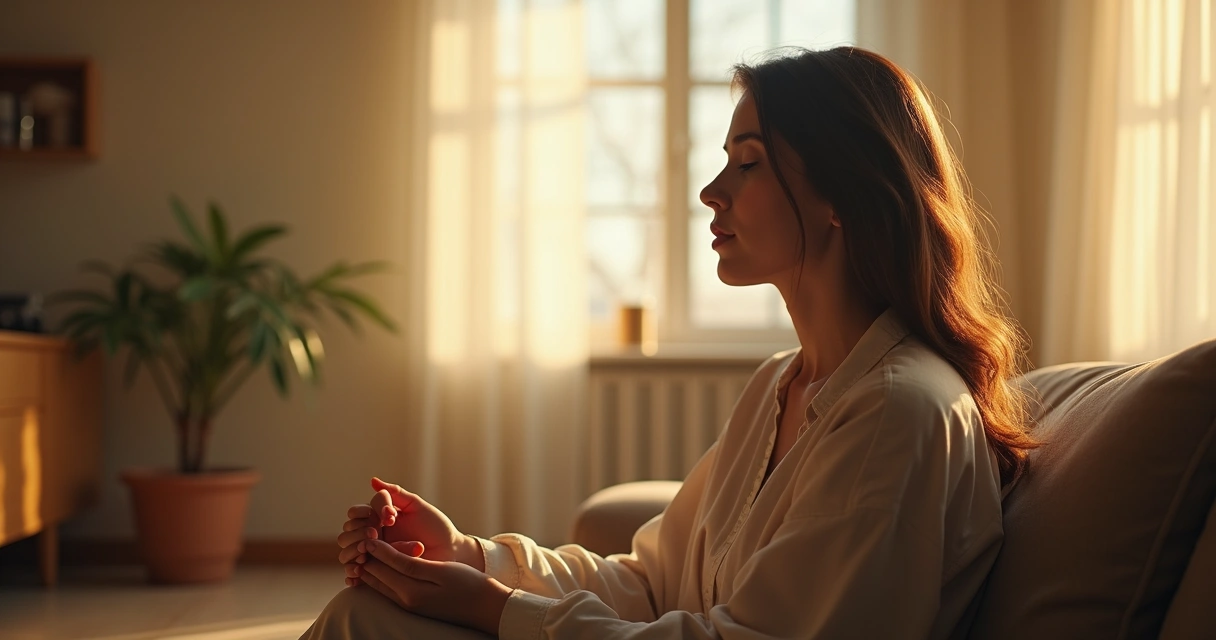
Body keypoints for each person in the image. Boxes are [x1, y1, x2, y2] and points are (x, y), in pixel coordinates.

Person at [301, 46, 1037, 639]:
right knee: (364, 614)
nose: (711, 191)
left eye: (747, 162)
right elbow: (650, 583)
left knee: (361, 624)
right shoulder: (781, 386)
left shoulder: (896, 414)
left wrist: (490, 608)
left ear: (843, 194)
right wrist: (471, 556)